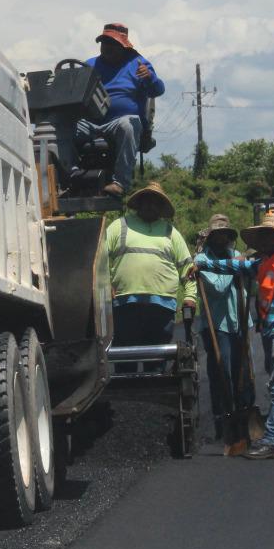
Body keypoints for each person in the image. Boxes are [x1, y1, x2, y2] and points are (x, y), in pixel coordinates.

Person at [195, 211, 274, 459]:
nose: (266, 240)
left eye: (271, 236)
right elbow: (234, 266)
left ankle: (271, 440)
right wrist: (201, 263)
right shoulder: (263, 263)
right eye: (264, 236)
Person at [104, 182, 196, 353]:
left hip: (162, 306)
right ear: (139, 203)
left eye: (156, 202)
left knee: (158, 358)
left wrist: (190, 297)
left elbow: (188, 269)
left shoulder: (170, 231)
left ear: (161, 207)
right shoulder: (120, 226)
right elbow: (100, 257)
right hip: (125, 305)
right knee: (125, 358)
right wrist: (105, 284)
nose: (150, 205)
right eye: (147, 201)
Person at [76, 23, 164, 196]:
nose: (107, 47)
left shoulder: (139, 64)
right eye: (104, 43)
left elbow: (158, 90)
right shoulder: (89, 65)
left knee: (129, 125)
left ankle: (120, 183)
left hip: (118, 123)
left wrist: (150, 77)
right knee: (63, 128)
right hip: (91, 122)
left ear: (123, 47)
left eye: (112, 44)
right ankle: (69, 174)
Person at [192, 214, 251, 440]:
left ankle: (244, 415)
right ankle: (222, 417)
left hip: (241, 321)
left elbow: (251, 273)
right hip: (217, 325)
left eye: (225, 234)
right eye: (217, 235)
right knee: (221, 372)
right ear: (211, 237)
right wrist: (234, 267)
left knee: (243, 370)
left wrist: (240, 264)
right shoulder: (201, 260)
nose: (221, 239)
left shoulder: (236, 255)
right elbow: (218, 287)